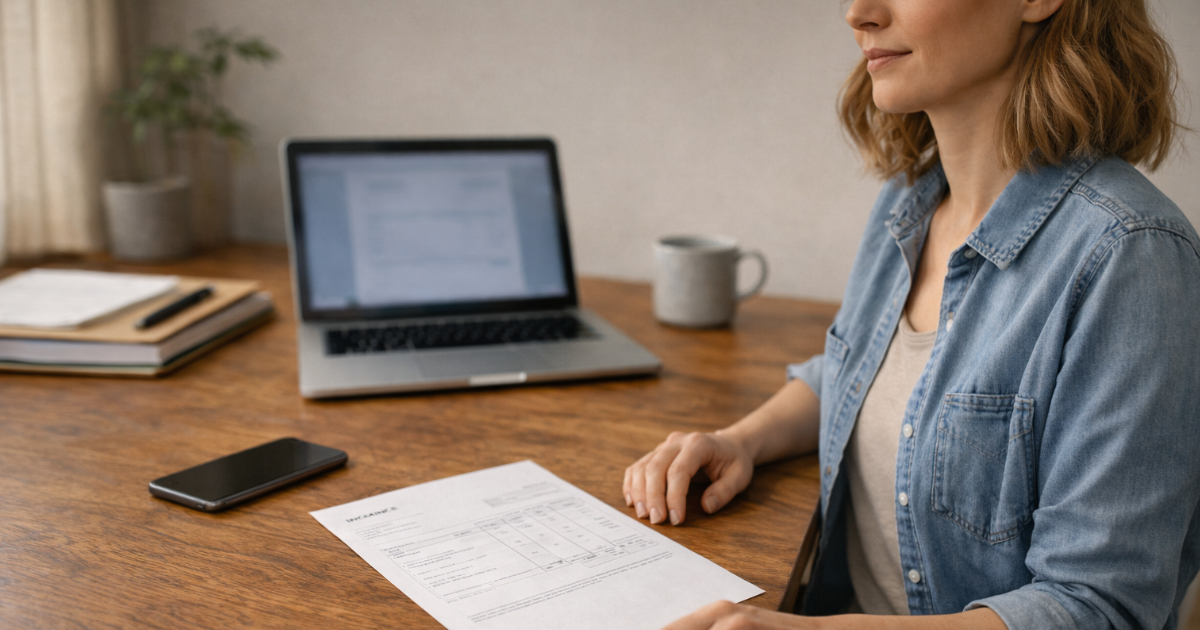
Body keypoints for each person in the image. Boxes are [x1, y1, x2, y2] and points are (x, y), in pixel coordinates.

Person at [623, 0, 1200, 627]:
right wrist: (740, 440)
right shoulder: (908, 204)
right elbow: (857, 371)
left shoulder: (1133, 257)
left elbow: (1097, 608)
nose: (858, 13)